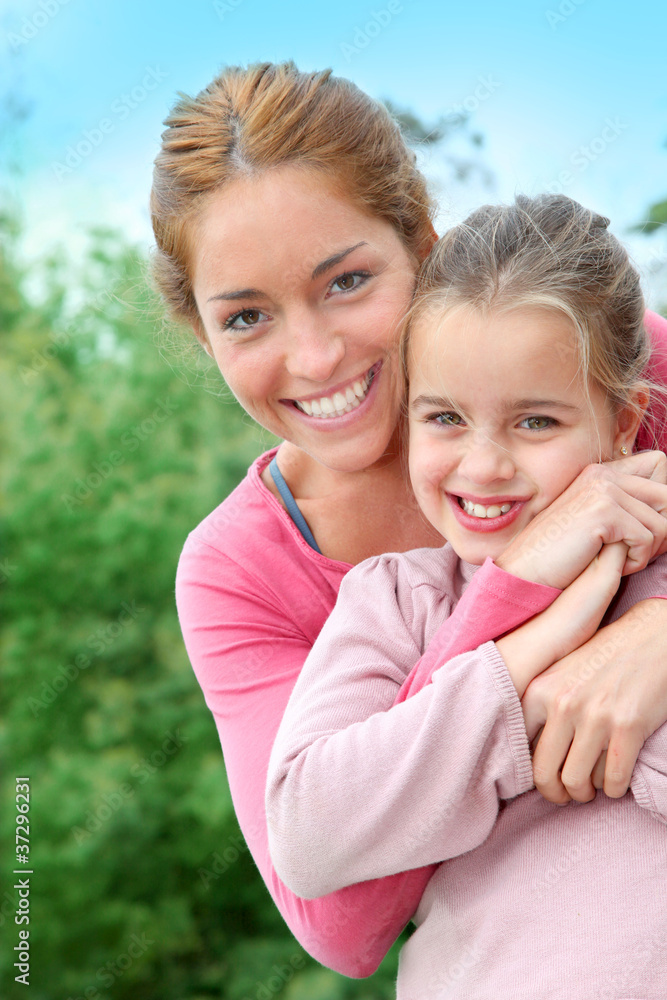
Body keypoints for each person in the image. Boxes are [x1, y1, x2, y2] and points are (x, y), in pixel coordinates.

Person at [150, 61, 667, 976]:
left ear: (423, 249)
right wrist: (515, 603)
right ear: (203, 335)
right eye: (246, 319)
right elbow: (339, 921)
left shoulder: (592, 360)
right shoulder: (242, 570)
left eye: (347, 281)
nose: (315, 356)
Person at [266, 194, 667, 998]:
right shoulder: (395, 601)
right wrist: (521, 654)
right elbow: (309, 833)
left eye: (535, 422)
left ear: (623, 422)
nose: (481, 467)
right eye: (444, 417)